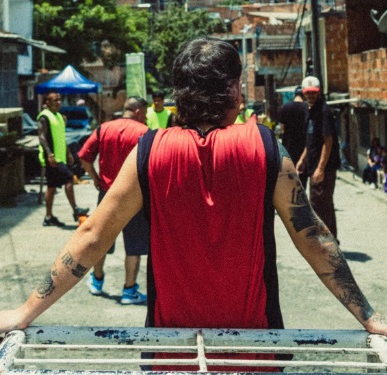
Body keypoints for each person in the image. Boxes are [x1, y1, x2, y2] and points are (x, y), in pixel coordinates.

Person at [1, 38, 387, 370]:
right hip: (254, 353)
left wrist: (24, 312)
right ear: (235, 90)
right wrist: (368, 317)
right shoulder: (265, 147)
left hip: (171, 353)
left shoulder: (150, 152)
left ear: (178, 94)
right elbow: (313, 238)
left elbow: (92, 235)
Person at [78, 96, 149, 305]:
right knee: (134, 246)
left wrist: (96, 178)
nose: (145, 117)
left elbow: (83, 156)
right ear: (138, 112)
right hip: (134, 197)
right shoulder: (144, 133)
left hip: (107, 194)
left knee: (101, 242)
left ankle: (97, 282)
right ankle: (129, 291)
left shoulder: (103, 129)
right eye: (144, 113)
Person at [296, 76, 341, 240]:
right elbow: (311, 141)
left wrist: (321, 168)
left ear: (319, 92)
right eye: (308, 93)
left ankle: (325, 241)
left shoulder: (323, 111)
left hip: (324, 169)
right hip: (313, 166)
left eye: (313, 93)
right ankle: (331, 241)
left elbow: (327, 141)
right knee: (324, 205)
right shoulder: (310, 110)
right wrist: (302, 160)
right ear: (304, 93)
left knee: (318, 205)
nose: (311, 96)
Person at [37, 90, 89, 227]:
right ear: (47, 103)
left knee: (51, 186)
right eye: (55, 100)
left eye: (59, 100)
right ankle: (76, 210)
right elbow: (41, 137)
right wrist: (49, 154)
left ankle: (48, 217)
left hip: (61, 157)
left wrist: (69, 154)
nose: (58, 102)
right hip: (51, 158)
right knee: (69, 178)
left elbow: (61, 137)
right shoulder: (44, 117)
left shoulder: (60, 117)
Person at [278, 85, 308, 188]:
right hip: (303, 150)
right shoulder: (306, 108)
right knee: (302, 180)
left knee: (290, 181)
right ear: (303, 95)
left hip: (289, 148)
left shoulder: (285, 107)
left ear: (294, 95)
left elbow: (282, 128)